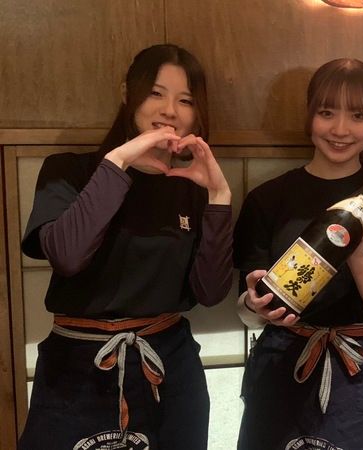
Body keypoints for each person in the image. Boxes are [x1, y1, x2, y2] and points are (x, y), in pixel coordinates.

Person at [19, 44, 233, 450]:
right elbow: (67, 255)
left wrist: (220, 197)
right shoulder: (68, 170)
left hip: (169, 369)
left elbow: (209, 292)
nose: (170, 110)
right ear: (126, 94)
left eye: (185, 100)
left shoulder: (191, 188)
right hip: (77, 370)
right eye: (155, 93)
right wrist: (118, 162)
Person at [233, 58, 363, 450]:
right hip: (282, 368)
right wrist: (254, 304)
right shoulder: (268, 199)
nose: (340, 129)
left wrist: (358, 256)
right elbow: (246, 311)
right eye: (326, 113)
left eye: (358, 115)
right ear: (310, 117)